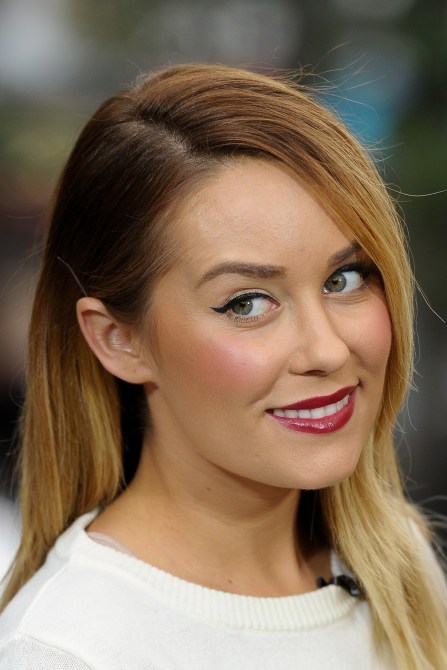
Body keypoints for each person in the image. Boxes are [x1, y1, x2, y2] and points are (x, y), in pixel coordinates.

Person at [0, 63, 445, 670]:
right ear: (119, 341)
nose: (327, 350)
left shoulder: (398, 564)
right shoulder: (65, 652)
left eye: (345, 278)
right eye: (247, 304)